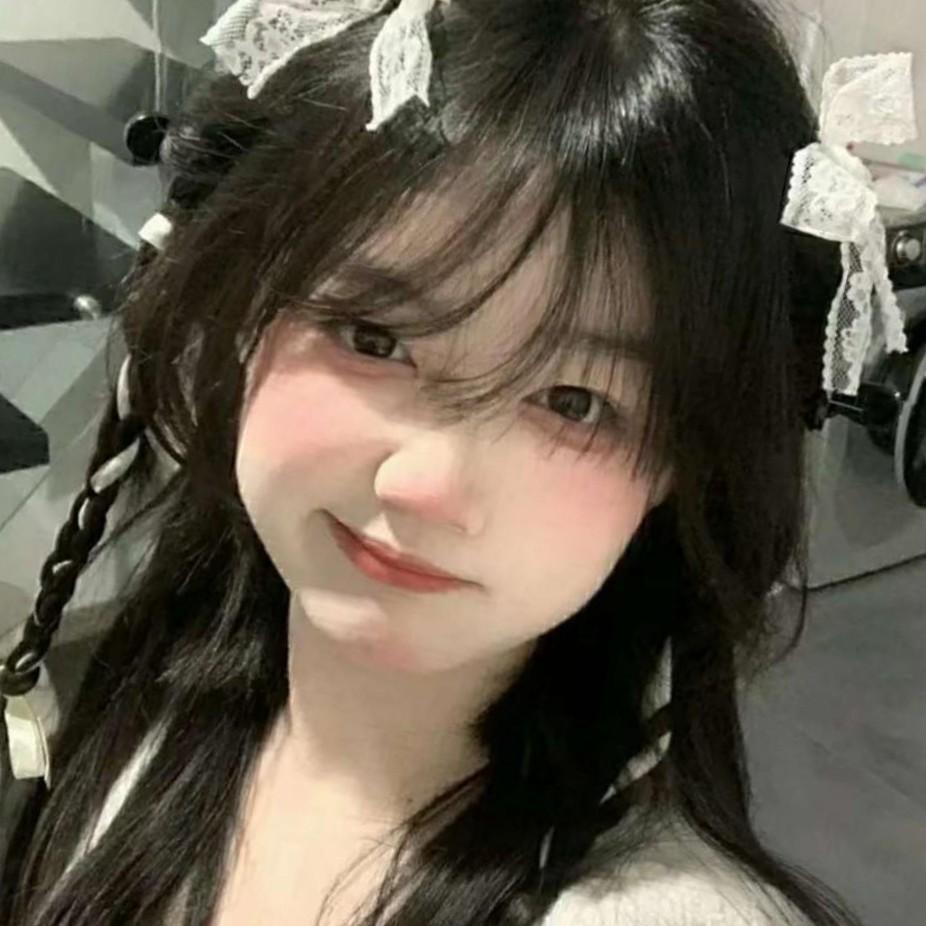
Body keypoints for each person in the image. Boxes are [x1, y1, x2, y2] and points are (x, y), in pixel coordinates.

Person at [0, 0, 912, 923]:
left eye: (573, 401)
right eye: (375, 337)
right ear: (246, 306)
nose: (422, 486)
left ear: (685, 460)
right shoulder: (166, 697)